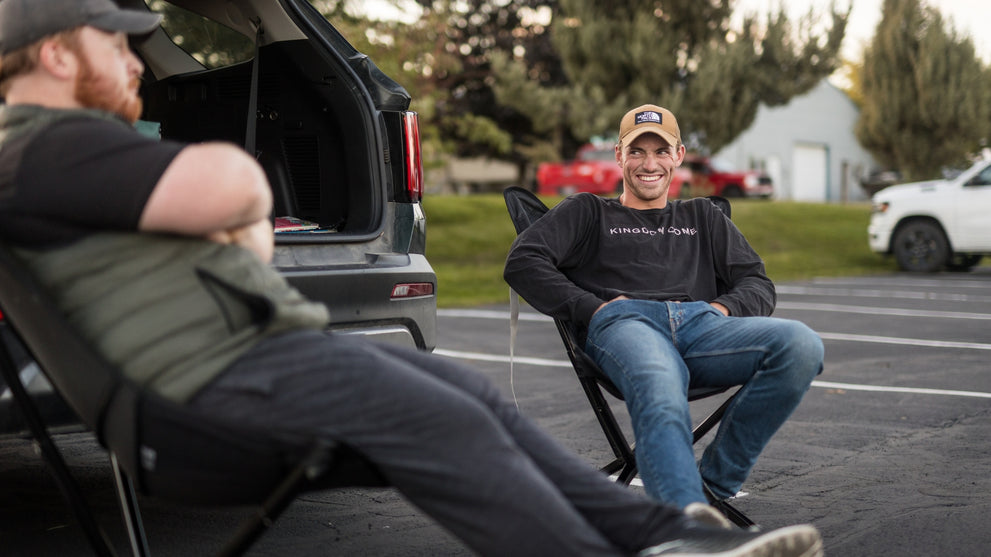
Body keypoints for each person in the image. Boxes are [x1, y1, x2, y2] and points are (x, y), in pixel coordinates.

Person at [0, 1, 825, 555]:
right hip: (209, 398)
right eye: (115, 40)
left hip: (237, 370)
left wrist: (232, 215)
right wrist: (235, 200)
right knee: (442, 417)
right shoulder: (47, 143)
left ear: (674, 160)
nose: (138, 57)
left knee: (476, 402)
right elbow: (243, 187)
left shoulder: (54, 158)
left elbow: (244, 241)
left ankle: (670, 531)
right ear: (55, 51)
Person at [505, 104, 824, 510]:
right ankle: (684, 525)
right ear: (619, 156)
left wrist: (722, 311)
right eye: (636, 151)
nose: (648, 163)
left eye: (661, 151)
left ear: (679, 156)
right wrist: (593, 309)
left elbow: (757, 282)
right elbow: (523, 261)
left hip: (702, 326)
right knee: (659, 375)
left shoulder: (702, 215)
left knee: (801, 345)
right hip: (625, 325)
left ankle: (710, 488)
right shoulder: (588, 211)